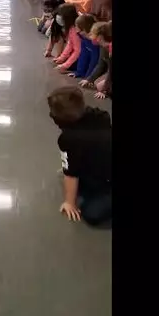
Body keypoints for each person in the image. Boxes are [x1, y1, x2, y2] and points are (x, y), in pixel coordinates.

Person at [47, 86, 112, 227]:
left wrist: (69, 202)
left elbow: (71, 173)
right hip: (103, 165)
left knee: (91, 214)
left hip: (106, 177)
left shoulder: (68, 139)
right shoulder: (100, 115)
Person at [79, 21, 114, 99]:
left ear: (100, 37)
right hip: (109, 73)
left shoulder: (110, 48)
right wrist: (89, 79)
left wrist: (104, 90)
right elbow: (101, 65)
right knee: (97, 84)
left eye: (92, 34)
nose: (90, 36)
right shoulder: (103, 47)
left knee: (101, 87)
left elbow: (111, 72)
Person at [53, 4, 83, 73]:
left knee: (71, 66)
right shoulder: (71, 27)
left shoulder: (75, 30)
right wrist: (62, 58)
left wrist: (65, 65)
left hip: (83, 54)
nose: (58, 18)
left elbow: (78, 50)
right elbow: (70, 44)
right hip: (79, 53)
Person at [72, 14, 101, 79]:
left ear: (84, 28)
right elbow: (83, 54)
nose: (75, 28)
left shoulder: (95, 41)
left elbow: (95, 60)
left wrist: (88, 77)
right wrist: (79, 72)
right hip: (90, 57)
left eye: (77, 26)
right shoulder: (82, 36)